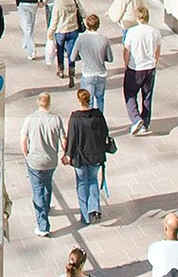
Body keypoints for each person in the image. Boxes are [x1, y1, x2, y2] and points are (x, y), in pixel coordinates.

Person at [60, 87, 115, 226]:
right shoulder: (98, 115)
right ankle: (95, 209)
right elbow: (105, 133)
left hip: (80, 157)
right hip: (96, 155)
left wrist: (68, 155)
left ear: (79, 100)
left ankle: (85, 214)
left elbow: (72, 139)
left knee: (82, 184)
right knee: (93, 181)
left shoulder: (75, 118)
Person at [21, 92, 64, 237]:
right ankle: (46, 206)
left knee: (37, 190)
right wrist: (66, 154)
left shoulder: (30, 119)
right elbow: (63, 140)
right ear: (49, 103)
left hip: (35, 161)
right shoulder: (56, 119)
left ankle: (43, 225)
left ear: (38, 102)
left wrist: (26, 154)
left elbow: (23, 140)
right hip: (51, 161)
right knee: (47, 184)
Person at [121, 13, 162, 134]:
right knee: (147, 96)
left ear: (137, 18)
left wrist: (126, 63)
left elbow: (126, 49)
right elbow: (157, 50)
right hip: (150, 67)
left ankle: (136, 118)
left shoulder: (132, 32)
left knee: (130, 93)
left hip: (135, 67)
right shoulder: (155, 31)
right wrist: (155, 62)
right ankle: (145, 123)